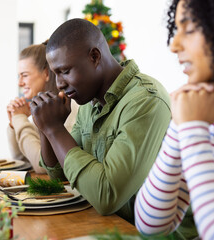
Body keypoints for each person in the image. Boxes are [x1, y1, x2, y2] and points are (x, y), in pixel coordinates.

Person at [30, 18, 171, 224]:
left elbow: (107, 196)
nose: (59, 84)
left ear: (95, 57)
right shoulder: (90, 101)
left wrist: (54, 130)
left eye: (65, 71)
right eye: (55, 74)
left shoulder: (145, 100)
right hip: (107, 225)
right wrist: (45, 126)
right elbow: (60, 177)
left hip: (149, 234)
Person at [135, 0, 214, 239]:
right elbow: (150, 224)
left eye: (189, 30)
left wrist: (191, 129)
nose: (174, 45)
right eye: (176, 30)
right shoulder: (204, 112)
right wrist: (179, 125)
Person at [7, 41, 79, 173]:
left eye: (25, 75)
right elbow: (22, 161)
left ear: (46, 73)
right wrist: (13, 125)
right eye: (19, 76)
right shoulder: (43, 107)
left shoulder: (68, 107)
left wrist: (20, 119)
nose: (20, 82)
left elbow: (43, 167)